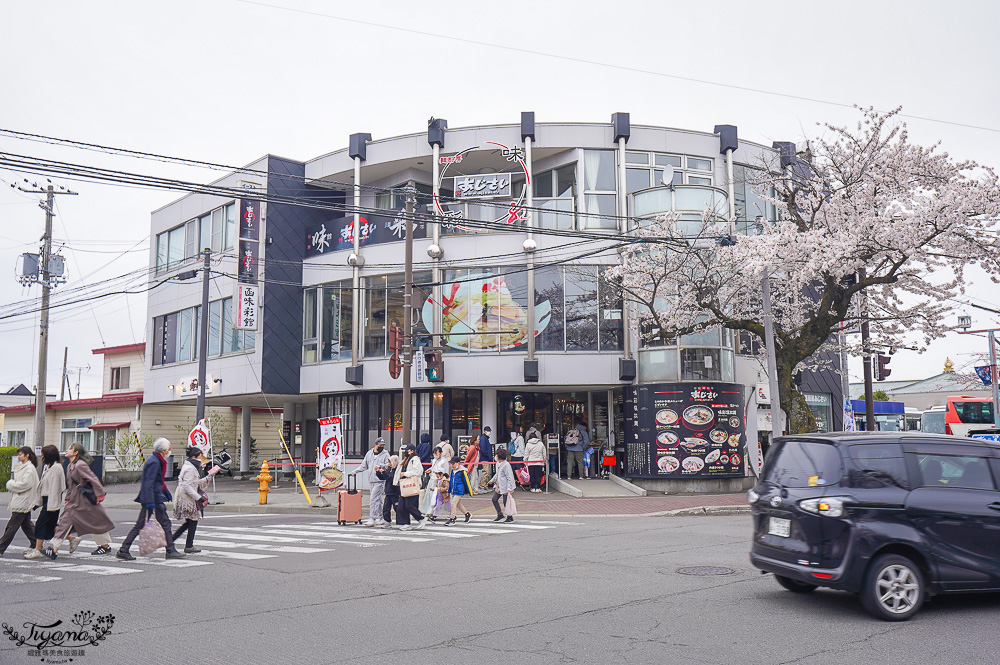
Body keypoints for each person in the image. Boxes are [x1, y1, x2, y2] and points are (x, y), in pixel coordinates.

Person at [117, 438, 184, 560]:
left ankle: (124, 549)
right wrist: (150, 502)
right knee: (165, 523)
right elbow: (149, 483)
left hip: (153, 497)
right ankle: (170, 550)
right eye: (169, 449)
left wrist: (165, 491)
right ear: (163, 451)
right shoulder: (155, 462)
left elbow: (157, 481)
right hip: (154, 498)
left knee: (141, 524)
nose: (170, 451)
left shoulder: (156, 460)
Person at [44, 443, 115, 558]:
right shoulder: (70, 465)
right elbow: (71, 486)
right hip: (76, 501)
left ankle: (53, 548)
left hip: (83, 501)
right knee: (92, 522)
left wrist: (99, 495)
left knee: (66, 523)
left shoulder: (80, 465)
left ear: (76, 452)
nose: (66, 450)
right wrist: (67, 499)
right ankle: (105, 546)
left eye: (70, 448)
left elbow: (93, 479)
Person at [171, 446, 219, 554]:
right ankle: (181, 544)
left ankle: (181, 543)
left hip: (187, 496)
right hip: (186, 498)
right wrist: (199, 498)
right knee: (192, 520)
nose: (202, 458)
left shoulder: (191, 466)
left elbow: (194, 482)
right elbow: (187, 486)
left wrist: (208, 477)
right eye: (200, 456)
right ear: (194, 457)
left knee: (190, 521)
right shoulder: (189, 468)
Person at [25, 445, 66, 559]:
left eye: (43, 455)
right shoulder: (48, 466)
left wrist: (52, 505)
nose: (41, 457)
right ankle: (72, 539)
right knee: (51, 526)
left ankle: (38, 549)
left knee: (41, 524)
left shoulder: (56, 468)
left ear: (49, 456)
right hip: (48, 499)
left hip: (52, 500)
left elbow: (56, 488)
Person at [1, 447, 39, 558]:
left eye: (21, 454)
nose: (18, 457)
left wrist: (10, 484)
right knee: (26, 525)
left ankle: (1, 547)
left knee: (11, 526)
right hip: (22, 500)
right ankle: (36, 544)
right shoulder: (25, 467)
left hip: (23, 501)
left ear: (27, 455)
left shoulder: (29, 468)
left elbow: (24, 485)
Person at [354, 437, 389, 526]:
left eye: (383, 445)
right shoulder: (369, 454)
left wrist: (382, 466)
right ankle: (382, 517)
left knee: (373, 498)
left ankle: (372, 518)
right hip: (371, 480)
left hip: (380, 480)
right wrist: (355, 472)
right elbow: (364, 465)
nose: (382, 447)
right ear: (375, 445)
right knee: (378, 500)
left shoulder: (385, 454)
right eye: (380, 445)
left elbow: (389, 464)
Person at [393, 444, 426, 530]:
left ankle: (420, 518)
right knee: (402, 506)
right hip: (405, 485)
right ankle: (406, 523)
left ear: (411, 450)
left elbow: (418, 471)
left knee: (409, 505)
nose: (405, 452)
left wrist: (405, 474)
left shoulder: (415, 460)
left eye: (407, 450)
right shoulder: (406, 460)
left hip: (411, 485)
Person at [487, 448, 516, 523]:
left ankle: (509, 517)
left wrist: (509, 487)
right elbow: (497, 473)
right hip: (499, 486)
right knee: (494, 499)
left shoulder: (506, 465)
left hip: (505, 486)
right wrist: (492, 480)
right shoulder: (498, 464)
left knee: (506, 502)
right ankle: (500, 514)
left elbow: (510, 477)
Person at [445, 456, 471, 525]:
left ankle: (452, 518)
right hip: (454, 490)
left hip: (460, 490)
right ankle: (467, 514)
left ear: (458, 463)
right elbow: (450, 482)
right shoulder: (453, 471)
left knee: (453, 504)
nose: (452, 465)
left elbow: (467, 482)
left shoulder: (463, 471)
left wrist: (470, 492)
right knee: (458, 504)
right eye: (451, 464)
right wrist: (448, 491)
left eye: (453, 464)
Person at [376, 455, 400, 528]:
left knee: (397, 507)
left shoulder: (397, 470)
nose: (389, 463)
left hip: (394, 491)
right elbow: (384, 477)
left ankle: (401, 521)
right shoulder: (390, 469)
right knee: (386, 507)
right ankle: (387, 521)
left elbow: (391, 478)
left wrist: (384, 473)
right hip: (388, 492)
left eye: (390, 461)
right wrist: (378, 472)